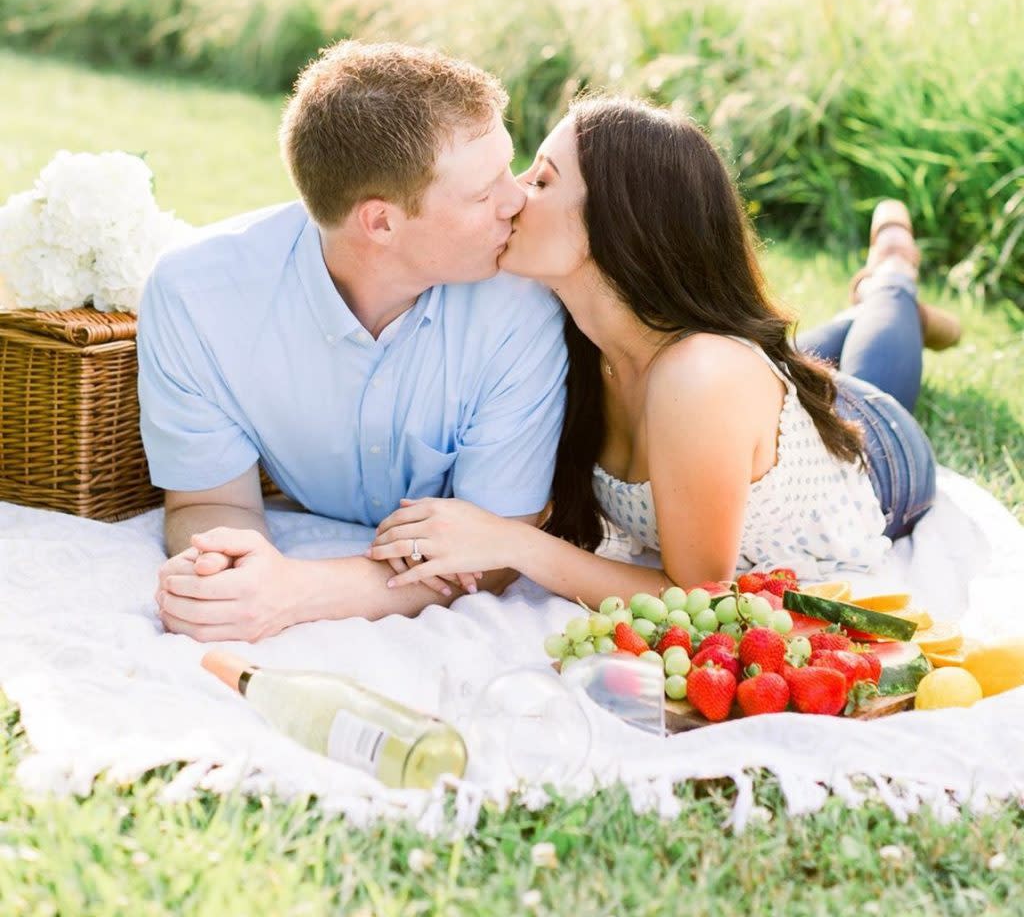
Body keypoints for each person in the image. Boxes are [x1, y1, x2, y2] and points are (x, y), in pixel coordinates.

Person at [368, 95, 957, 604]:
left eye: (542, 180)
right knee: (801, 361)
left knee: (869, 361)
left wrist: (512, 543)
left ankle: (892, 275)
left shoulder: (700, 378)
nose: (516, 195)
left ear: (619, 221)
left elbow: (699, 595)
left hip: (876, 452)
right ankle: (876, 299)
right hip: (744, 408)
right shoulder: (567, 328)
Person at [138, 42, 567, 642]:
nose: (516, 199)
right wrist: (229, 573)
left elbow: (493, 548)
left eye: (509, 167)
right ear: (381, 222)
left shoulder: (524, 304)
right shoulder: (195, 297)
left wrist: (294, 593)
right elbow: (210, 503)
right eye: (482, 190)